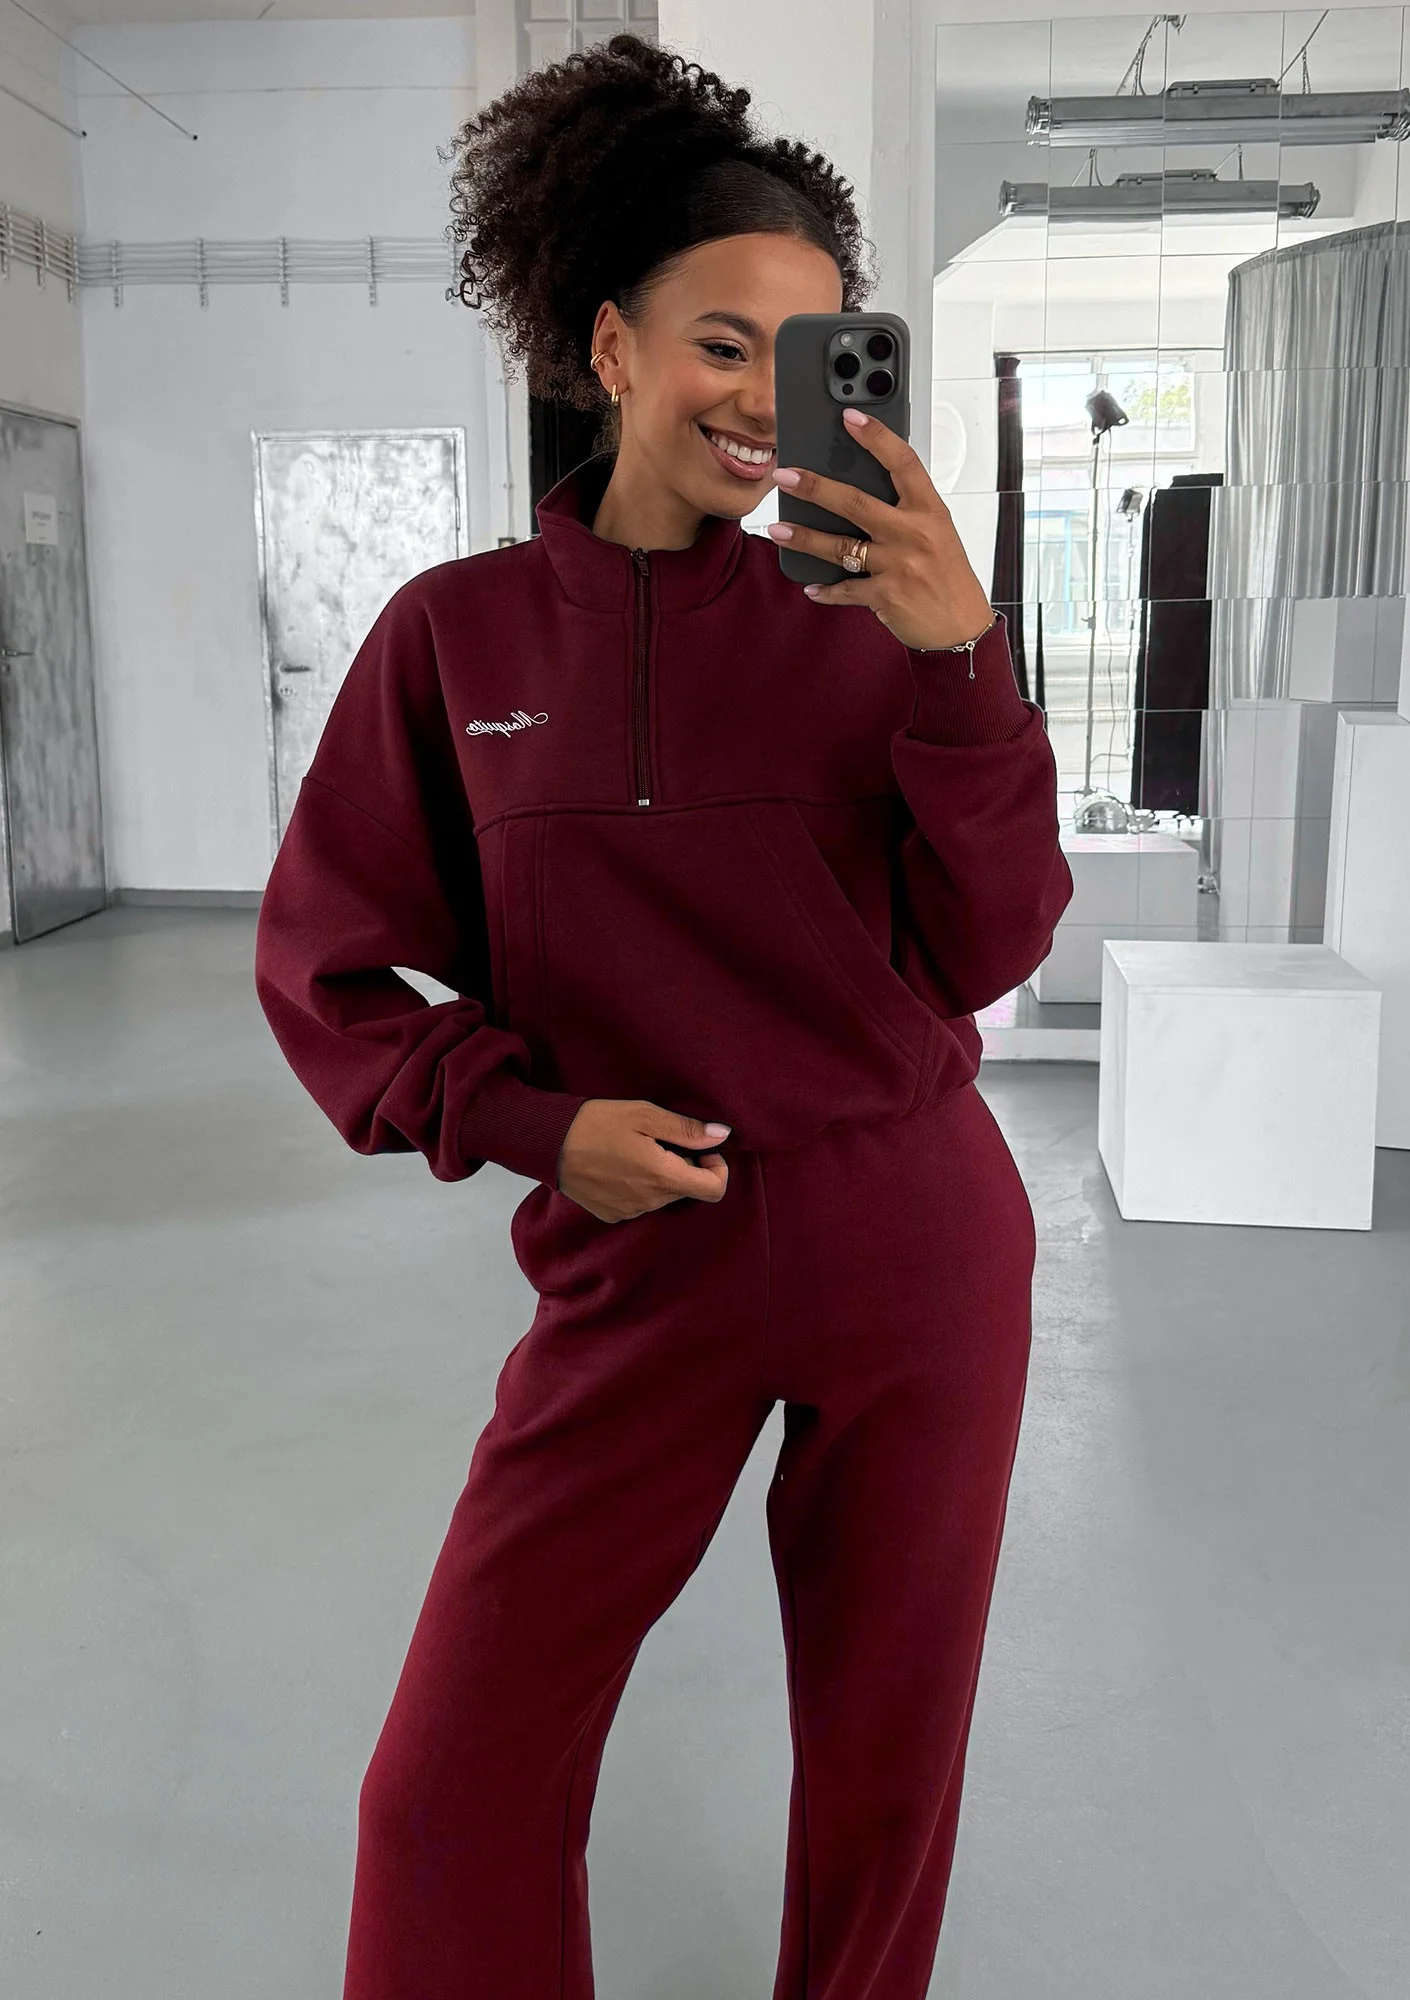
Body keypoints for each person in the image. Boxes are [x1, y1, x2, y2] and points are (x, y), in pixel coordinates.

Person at [254, 32, 1074, 2000]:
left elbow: (989, 944)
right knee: (448, 1788)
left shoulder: (877, 621)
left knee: (883, 1759)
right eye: (719, 343)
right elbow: (326, 965)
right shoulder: (454, 637)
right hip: (638, 1261)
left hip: (913, 1239)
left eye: (802, 357)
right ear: (608, 346)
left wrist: (961, 661)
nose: (758, 399)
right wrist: (533, 1124)